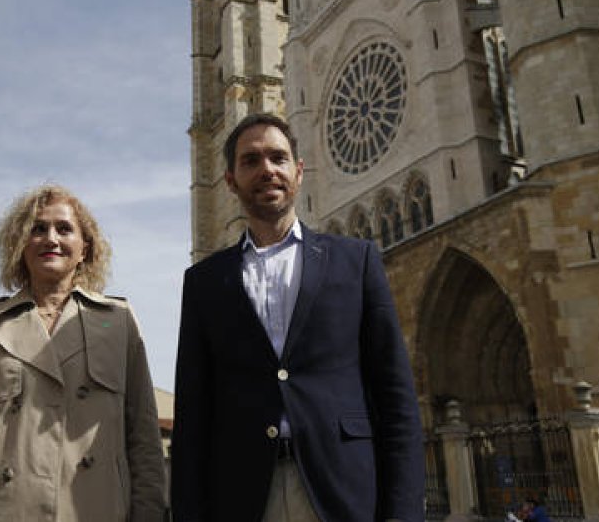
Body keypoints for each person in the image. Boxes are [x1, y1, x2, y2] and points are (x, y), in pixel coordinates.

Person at [171, 113, 426, 522]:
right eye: (251, 160)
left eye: (278, 157)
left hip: (343, 488)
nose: (267, 169)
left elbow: (395, 398)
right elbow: (193, 416)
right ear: (231, 180)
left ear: (299, 171)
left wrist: (404, 513)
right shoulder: (203, 281)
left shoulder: (355, 261)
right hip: (242, 495)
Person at [0, 185, 166, 522]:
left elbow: (144, 439)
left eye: (64, 229)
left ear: (85, 248)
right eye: (37, 229)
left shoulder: (120, 321)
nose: (51, 238)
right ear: (20, 246)